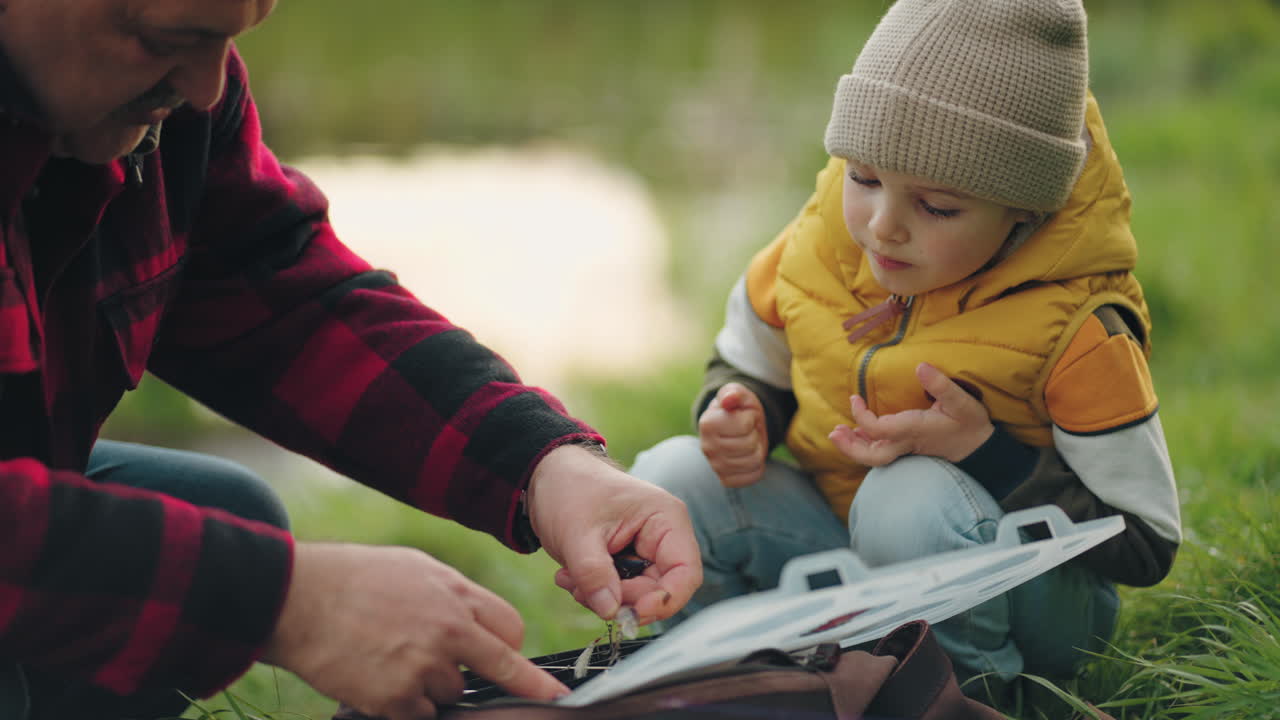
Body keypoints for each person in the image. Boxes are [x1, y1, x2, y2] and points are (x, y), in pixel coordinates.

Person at [0, 1, 701, 719]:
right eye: (165, 41)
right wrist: (280, 600)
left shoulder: (165, 103)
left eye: (228, 41)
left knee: (218, 514)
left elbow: (280, 293)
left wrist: (545, 466)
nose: (208, 87)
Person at [629, 0, 1181, 701]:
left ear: (1024, 211)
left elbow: (1146, 544)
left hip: (1029, 598)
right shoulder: (820, 247)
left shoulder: (1077, 329)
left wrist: (985, 452)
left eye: (938, 207)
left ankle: (969, 702)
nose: (882, 229)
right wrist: (740, 408)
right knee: (671, 475)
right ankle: (738, 695)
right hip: (853, 564)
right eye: (864, 178)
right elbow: (748, 359)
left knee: (909, 499)